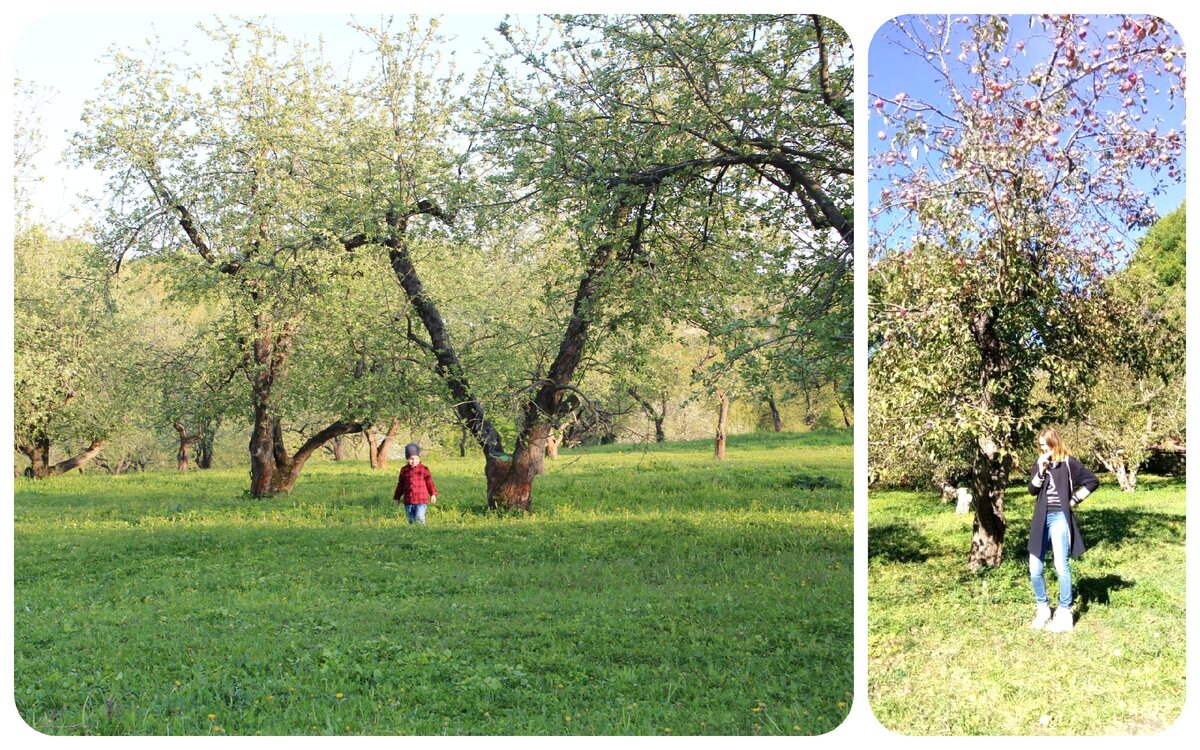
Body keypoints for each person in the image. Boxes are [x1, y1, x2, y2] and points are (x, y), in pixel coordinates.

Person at [1027, 427, 1099, 632]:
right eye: (1040, 445)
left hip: (1060, 517)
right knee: (1035, 568)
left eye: (1046, 445)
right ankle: (1043, 608)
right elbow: (1032, 490)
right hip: (1041, 519)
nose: (1043, 448)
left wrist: (1075, 499)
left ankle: (1065, 612)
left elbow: (1093, 481)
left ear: (1055, 443)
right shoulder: (1040, 462)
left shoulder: (1069, 463)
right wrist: (1040, 471)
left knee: (1061, 565)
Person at [394, 443, 437, 525]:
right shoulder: (404, 470)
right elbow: (400, 485)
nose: (414, 461)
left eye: (416, 458)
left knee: (420, 518)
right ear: (407, 458)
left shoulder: (424, 469)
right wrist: (397, 497)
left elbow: (430, 483)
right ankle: (413, 535)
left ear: (419, 458)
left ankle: (422, 533)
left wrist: (433, 494)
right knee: (411, 520)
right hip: (408, 501)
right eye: (411, 459)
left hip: (421, 500)